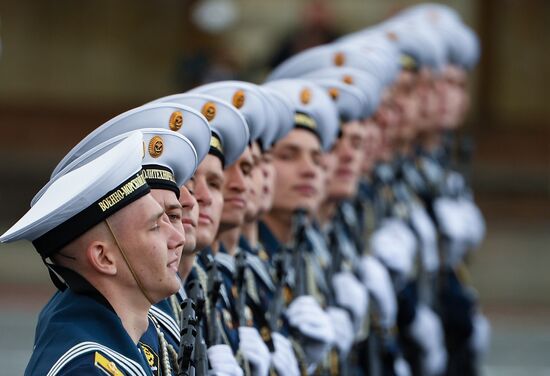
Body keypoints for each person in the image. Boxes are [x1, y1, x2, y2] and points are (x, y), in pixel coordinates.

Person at [1, 132, 186, 375]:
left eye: (171, 220)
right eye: (154, 227)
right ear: (103, 258)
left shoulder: (133, 336)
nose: (178, 239)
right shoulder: (85, 369)